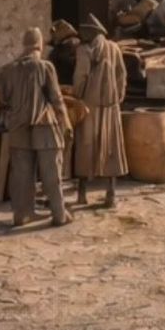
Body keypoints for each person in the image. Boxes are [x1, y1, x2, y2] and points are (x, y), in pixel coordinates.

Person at [0, 28, 71, 228]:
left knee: (21, 173)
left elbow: (2, 98)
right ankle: (59, 214)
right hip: (44, 126)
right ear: (39, 45)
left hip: (17, 127)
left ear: (24, 44)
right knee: (51, 171)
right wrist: (66, 123)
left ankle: (22, 215)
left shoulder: (8, 70)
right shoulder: (46, 67)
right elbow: (56, 99)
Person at [72, 15, 127, 208]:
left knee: (85, 148)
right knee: (111, 148)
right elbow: (121, 75)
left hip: (89, 105)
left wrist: (76, 96)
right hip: (110, 105)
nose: (82, 33)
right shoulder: (114, 48)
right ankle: (111, 194)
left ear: (93, 31)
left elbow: (81, 77)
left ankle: (82, 194)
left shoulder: (84, 51)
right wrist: (117, 97)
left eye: (85, 30)